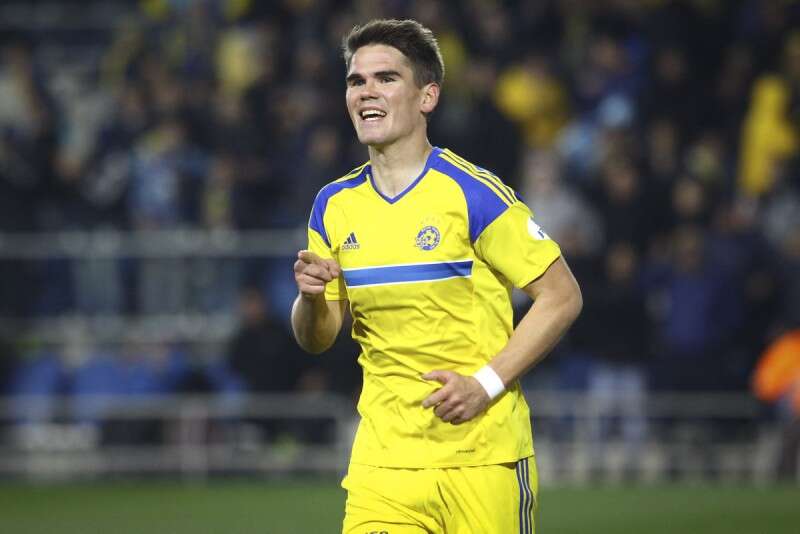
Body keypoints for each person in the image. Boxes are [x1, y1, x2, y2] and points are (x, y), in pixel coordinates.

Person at [291, 19, 582, 534]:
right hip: (383, 466)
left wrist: (484, 385)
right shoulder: (333, 205)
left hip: (482, 458)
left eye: (386, 78)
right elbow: (318, 338)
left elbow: (561, 296)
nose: (366, 91)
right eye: (356, 81)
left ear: (427, 96)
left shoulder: (474, 193)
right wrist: (310, 299)